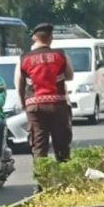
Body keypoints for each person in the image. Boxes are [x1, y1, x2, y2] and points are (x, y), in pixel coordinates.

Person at [15, 23, 74, 191]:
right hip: (58, 105)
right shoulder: (60, 55)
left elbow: (18, 83)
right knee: (61, 144)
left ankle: (41, 184)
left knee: (39, 146)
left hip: (35, 106)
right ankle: (65, 182)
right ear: (51, 37)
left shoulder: (24, 58)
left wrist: (23, 103)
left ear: (34, 37)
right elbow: (69, 76)